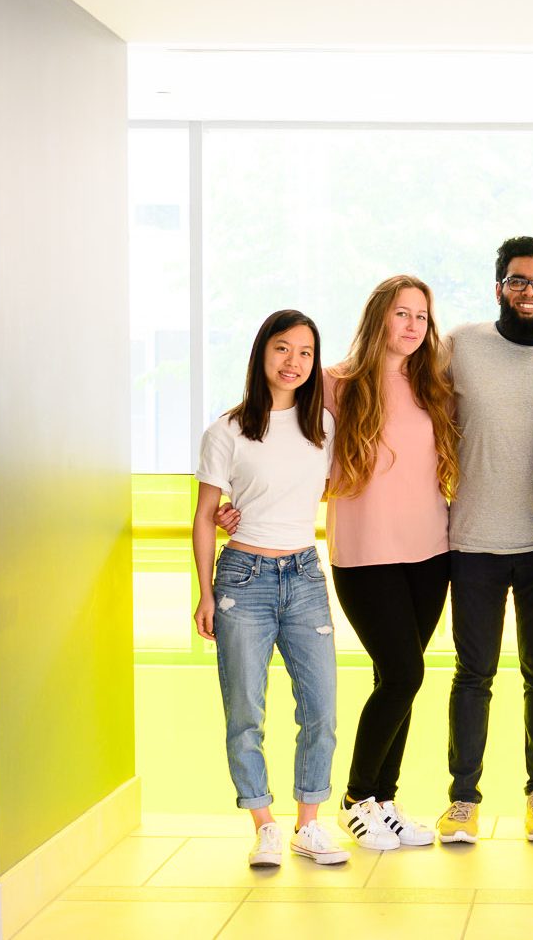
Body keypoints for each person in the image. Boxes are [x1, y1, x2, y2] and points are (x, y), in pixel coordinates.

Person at [191, 309, 348, 868]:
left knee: (322, 708)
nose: (294, 363)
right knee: (245, 710)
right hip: (242, 581)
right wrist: (206, 593)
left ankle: (310, 824)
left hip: (305, 576)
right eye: (283, 349)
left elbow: (325, 491)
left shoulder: (322, 428)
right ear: (262, 353)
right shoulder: (226, 430)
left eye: (306, 353)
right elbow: (206, 514)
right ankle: (264, 825)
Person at [437, 235, 533, 843]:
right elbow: (399, 388)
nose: (529, 292)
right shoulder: (462, 345)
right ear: (499, 287)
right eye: (518, 281)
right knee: (474, 674)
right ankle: (463, 800)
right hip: (472, 543)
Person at [322, 275, 458, 851]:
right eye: (401, 314)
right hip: (364, 553)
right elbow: (276, 435)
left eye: (421, 317)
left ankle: (384, 800)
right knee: (404, 673)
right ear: (378, 316)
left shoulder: (434, 386)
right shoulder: (334, 383)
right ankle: (356, 799)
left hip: (430, 551)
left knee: (395, 678)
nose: (411, 326)